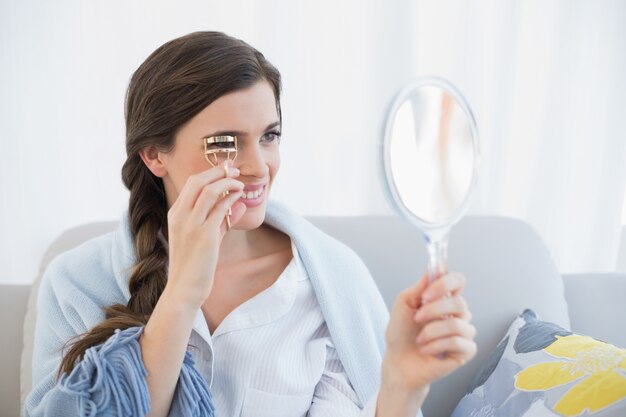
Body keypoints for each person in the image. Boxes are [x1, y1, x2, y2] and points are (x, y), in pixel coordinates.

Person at [25, 31, 476, 417]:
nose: (259, 167)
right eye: (226, 144)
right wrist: (182, 294)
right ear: (154, 155)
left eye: (269, 136)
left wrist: (400, 386)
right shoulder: (75, 285)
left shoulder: (330, 284)